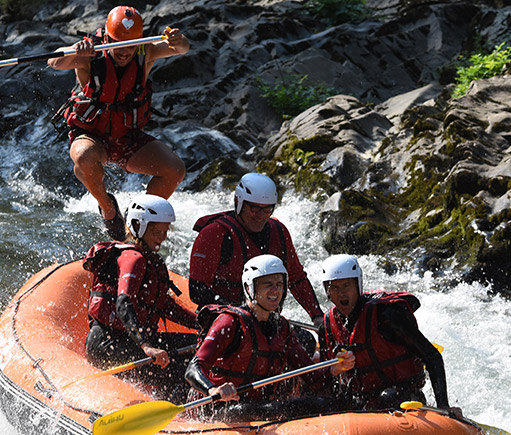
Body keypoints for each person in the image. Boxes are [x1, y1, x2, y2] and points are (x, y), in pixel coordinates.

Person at [48, 6, 189, 241]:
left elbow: (182, 48)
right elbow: (55, 61)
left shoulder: (147, 52)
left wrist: (179, 38)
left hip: (127, 137)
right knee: (83, 159)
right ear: (106, 38)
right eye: (117, 44)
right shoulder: (89, 56)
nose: (124, 51)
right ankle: (109, 209)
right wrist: (75, 50)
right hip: (92, 136)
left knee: (175, 170)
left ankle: (136, 224)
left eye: (131, 45)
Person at [184, 255, 354, 420]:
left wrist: (335, 368)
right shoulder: (230, 322)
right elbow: (193, 369)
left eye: (280, 284)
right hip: (219, 408)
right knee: (275, 409)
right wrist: (212, 390)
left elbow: (311, 377)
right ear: (250, 287)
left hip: (262, 406)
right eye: (268, 284)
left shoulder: (283, 327)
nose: (276, 290)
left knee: (329, 403)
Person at [188, 172, 324, 350]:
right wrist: (243, 312)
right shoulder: (215, 233)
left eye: (267, 209)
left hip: (266, 321)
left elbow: (297, 279)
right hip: (225, 322)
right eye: (254, 208)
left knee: (305, 341)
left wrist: (317, 316)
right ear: (239, 202)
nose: (260, 215)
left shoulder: (279, 231)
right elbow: (197, 291)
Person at [83, 194, 198, 400]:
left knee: (200, 345)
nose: (161, 237)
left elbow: (164, 306)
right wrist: (146, 346)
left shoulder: (150, 259)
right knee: (185, 370)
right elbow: (123, 302)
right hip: (109, 345)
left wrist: (202, 325)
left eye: (164, 231)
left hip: (133, 341)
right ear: (138, 226)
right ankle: (174, 414)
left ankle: (166, 396)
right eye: (156, 231)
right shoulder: (132, 258)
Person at [317, 254, 463, 417]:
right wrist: (334, 370)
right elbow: (324, 378)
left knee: (386, 398)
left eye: (346, 286)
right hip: (361, 400)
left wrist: (443, 405)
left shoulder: (386, 316)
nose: (341, 294)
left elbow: (432, 356)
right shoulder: (327, 326)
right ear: (327, 291)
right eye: (334, 288)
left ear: (357, 285)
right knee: (312, 404)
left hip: (401, 396)